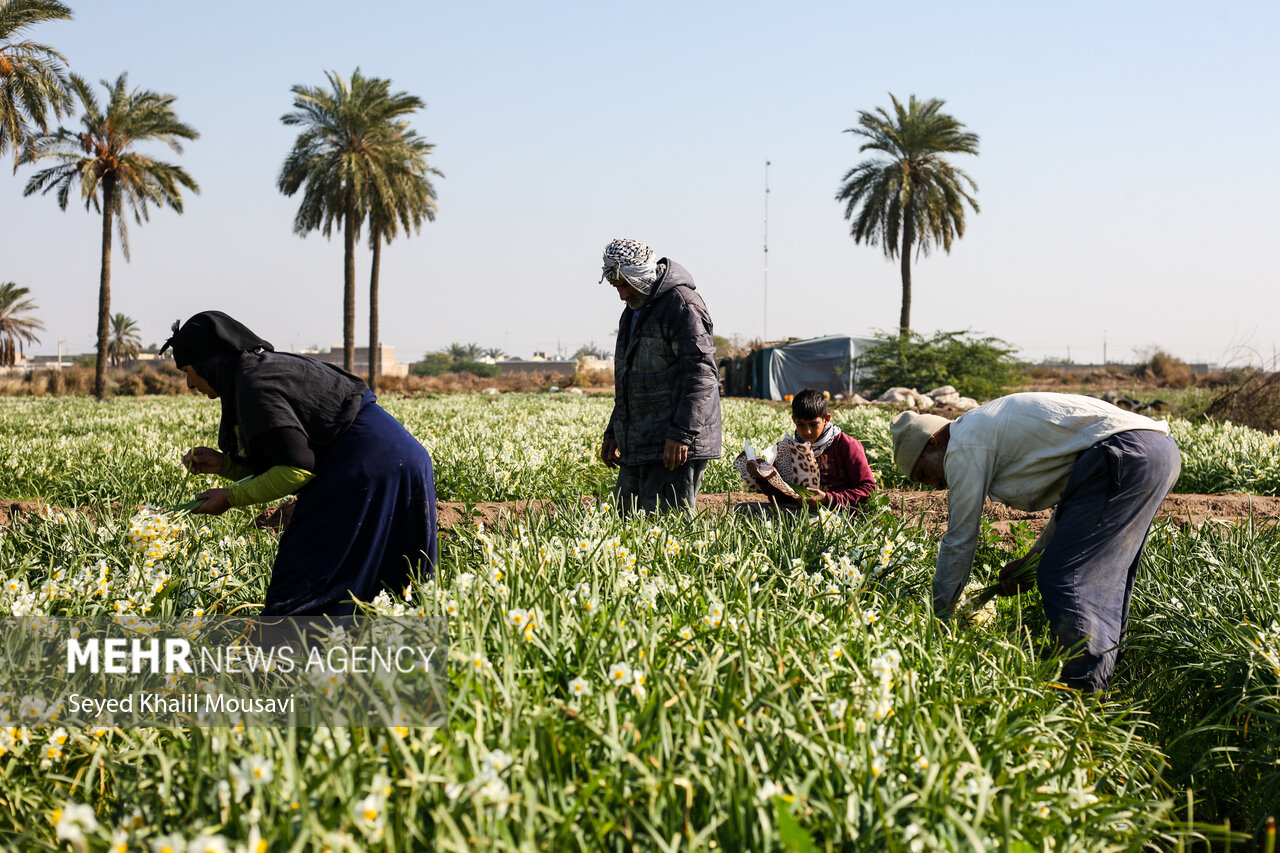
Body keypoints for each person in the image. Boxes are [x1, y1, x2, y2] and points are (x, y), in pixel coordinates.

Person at [890, 392, 1181, 692]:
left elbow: (960, 539)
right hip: (1154, 451)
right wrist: (1031, 561)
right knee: (1104, 578)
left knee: (1064, 577)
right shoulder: (985, 428)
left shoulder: (964, 444)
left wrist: (937, 618)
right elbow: (1072, 503)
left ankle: (1081, 697)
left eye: (925, 474)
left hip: (1124, 453)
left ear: (933, 441)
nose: (936, 485)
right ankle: (1110, 680)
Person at [161, 311, 437, 619]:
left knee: (301, 587)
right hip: (397, 459)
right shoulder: (260, 370)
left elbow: (296, 469)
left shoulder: (254, 385)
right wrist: (225, 464)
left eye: (187, 370)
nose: (188, 384)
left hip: (366, 467)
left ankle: (287, 661)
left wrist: (229, 498)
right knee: (385, 585)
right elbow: (290, 456)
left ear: (207, 362)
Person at [598, 238, 722, 515]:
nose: (622, 295)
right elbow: (630, 379)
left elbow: (701, 376)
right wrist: (614, 431)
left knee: (666, 533)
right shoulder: (633, 311)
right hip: (641, 439)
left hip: (673, 445)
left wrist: (681, 434)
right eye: (617, 287)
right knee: (625, 526)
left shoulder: (682, 306)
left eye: (624, 285)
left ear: (640, 277)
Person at [788, 388, 877, 510]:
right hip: (799, 510)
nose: (807, 431)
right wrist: (762, 479)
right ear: (794, 420)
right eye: (801, 425)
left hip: (837, 514)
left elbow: (868, 489)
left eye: (813, 424)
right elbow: (780, 497)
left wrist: (827, 499)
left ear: (826, 419)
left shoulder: (847, 445)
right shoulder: (792, 447)